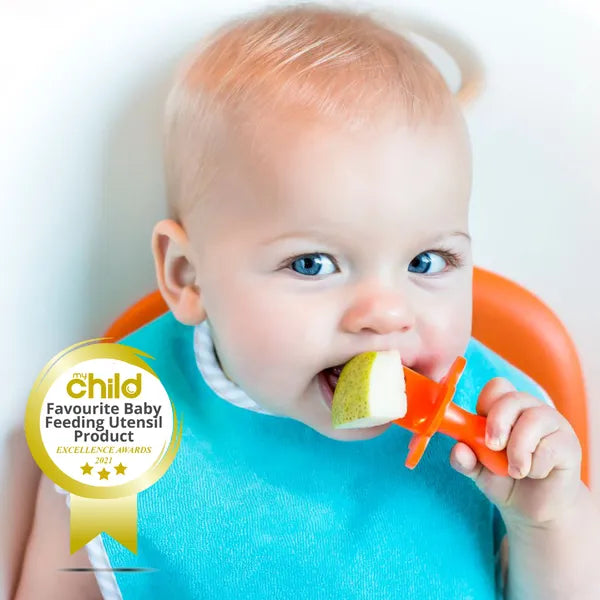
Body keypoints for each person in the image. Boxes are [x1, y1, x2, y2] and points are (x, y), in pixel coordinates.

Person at [15, 4, 599, 599]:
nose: (387, 314)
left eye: (426, 262)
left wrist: (548, 521)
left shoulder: (496, 428)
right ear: (188, 275)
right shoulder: (110, 424)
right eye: (312, 264)